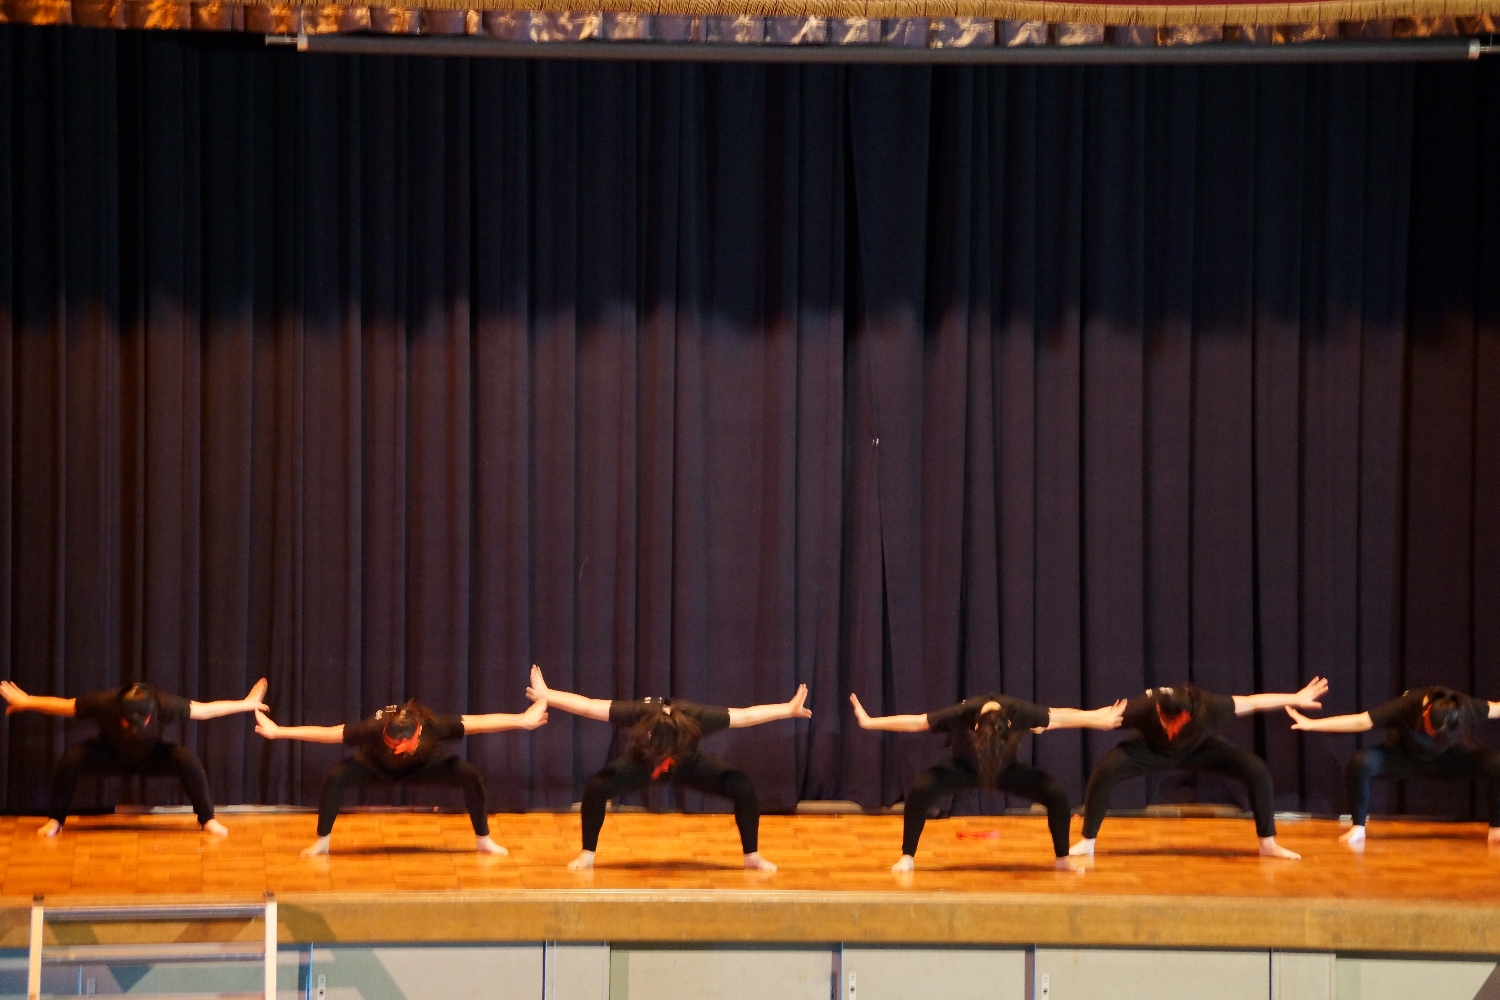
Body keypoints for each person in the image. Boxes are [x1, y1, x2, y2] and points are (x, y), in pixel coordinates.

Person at [525, 665, 811, 872]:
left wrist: (788, 709)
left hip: (689, 764)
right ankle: (588, 853)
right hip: (642, 765)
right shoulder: (641, 712)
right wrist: (548, 694)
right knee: (597, 788)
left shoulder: (697, 717)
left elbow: (746, 717)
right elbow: (588, 706)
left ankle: (752, 856)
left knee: (742, 786)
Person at [849, 691, 1126, 873]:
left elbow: (1059, 717)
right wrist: (870, 722)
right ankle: (907, 857)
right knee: (921, 790)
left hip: (1004, 769)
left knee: (1055, 793)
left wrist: (1098, 718)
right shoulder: (964, 712)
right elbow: (917, 723)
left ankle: (1062, 858)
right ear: (977, 726)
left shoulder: (1016, 711)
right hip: (963, 768)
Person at [1070, 677, 1329, 861]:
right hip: (1150, 751)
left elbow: (1253, 702)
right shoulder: (1146, 705)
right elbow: (1102, 714)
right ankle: (1088, 842)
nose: (1171, 724)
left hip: (1200, 750)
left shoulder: (1209, 706)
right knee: (1105, 772)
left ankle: (1268, 843)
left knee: (1256, 770)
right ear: (1159, 708)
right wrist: (1053, 722)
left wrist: (1297, 698)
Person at [253, 696, 548, 857]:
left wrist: (522, 721)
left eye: (402, 747)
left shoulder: (432, 725)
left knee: (470, 775)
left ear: (417, 734)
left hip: (428, 766)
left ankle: (483, 839)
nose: (397, 751)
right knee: (335, 777)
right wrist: (279, 732)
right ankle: (322, 841)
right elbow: (330, 734)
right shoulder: (374, 726)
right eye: (392, 746)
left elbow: (478, 723)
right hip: (375, 767)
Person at [0, 677, 269, 838]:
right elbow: (66, 706)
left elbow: (207, 710)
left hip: (153, 756)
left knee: (188, 761)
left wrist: (247, 703)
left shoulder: (164, 704)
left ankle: (207, 819)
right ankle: (55, 820)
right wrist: (27, 701)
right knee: (71, 759)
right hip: (108, 754)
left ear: (151, 715)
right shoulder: (106, 702)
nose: (131, 725)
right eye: (127, 721)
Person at [1287, 686, 1500, 846]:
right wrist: (1311, 724)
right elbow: (1361, 721)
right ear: (1426, 713)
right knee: (1361, 762)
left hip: (1446, 760)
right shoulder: (1409, 704)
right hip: (1402, 757)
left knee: (1497, 763)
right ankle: (1358, 827)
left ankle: (1496, 829)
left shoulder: (1465, 707)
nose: (1433, 735)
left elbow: (1497, 709)